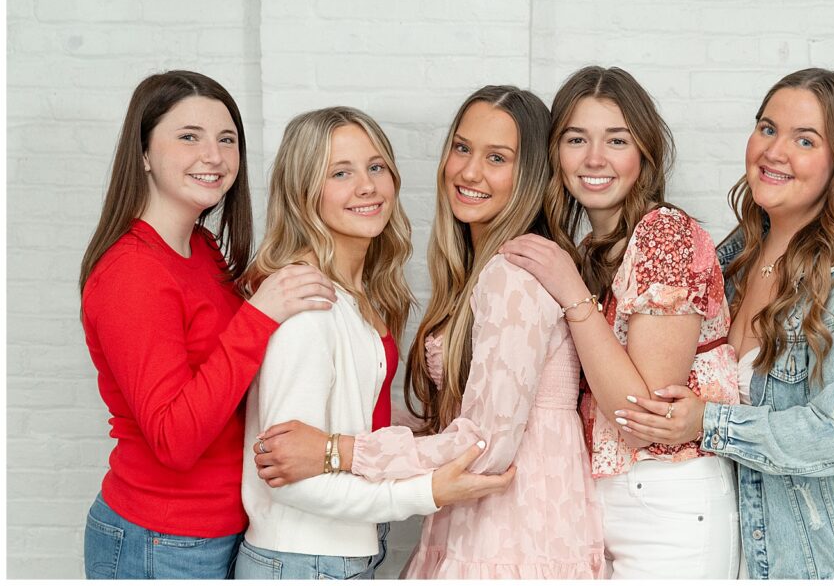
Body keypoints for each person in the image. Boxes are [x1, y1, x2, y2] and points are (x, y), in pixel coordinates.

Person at [618, 68, 834, 579]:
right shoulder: (731, 261)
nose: (774, 151)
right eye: (767, 127)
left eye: (805, 139)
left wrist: (708, 423)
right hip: (773, 556)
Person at [251, 86, 605, 578]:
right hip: (481, 519)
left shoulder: (513, 273)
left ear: (530, 176)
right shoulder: (477, 272)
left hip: (515, 529)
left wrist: (338, 450)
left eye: (496, 157)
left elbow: (483, 446)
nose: (470, 171)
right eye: (461, 148)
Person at [234, 107, 512, 580]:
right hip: (303, 561)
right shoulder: (307, 303)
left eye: (376, 166)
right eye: (341, 172)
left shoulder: (353, 295)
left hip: (334, 555)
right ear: (303, 190)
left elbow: (350, 419)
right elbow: (285, 475)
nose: (368, 186)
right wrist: (428, 492)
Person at [79, 70, 338, 579]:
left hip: (225, 530)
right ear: (145, 154)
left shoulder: (202, 249)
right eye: (189, 137)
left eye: (227, 140)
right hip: (160, 540)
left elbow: (231, 378)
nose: (214, 156)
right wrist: (260, 314)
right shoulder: (131, 273)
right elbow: (174, 440)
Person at [500, 66, 741, 578]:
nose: (594, 159)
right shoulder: (592, 250)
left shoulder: (665, 235)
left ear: (644, 153)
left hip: (668, 501)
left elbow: (640, 416)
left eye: (617, 140)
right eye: (576, 138)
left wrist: (572, 294)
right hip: (604, 500)